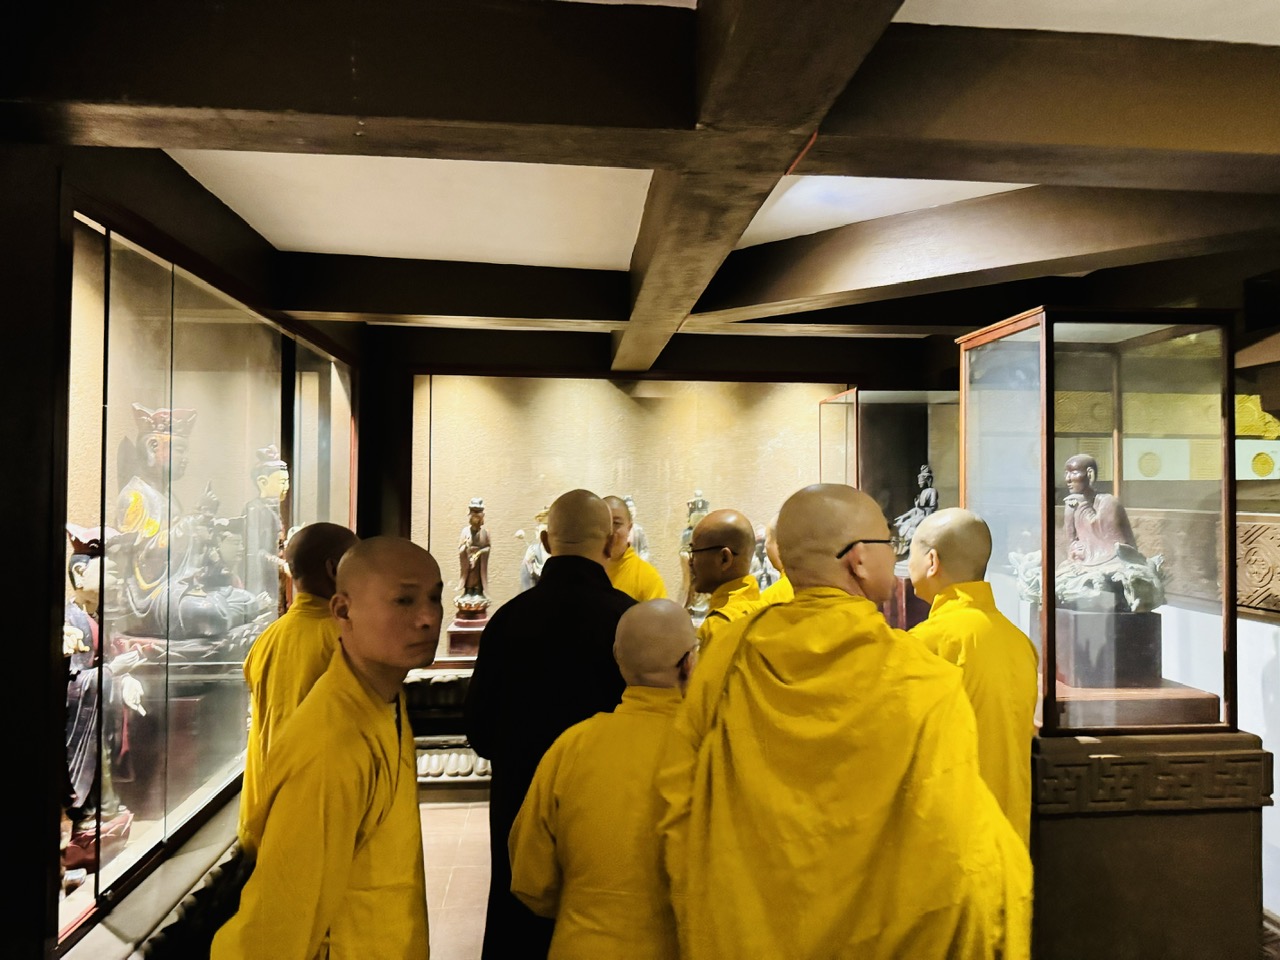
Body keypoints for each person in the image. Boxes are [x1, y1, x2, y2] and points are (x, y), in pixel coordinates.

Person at [656, 483, 1031, 960]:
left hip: (746, 931)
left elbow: (679, 799)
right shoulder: (920, 677)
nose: (896, 557)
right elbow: (960, 850)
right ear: (858, 560)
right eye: (888, 544)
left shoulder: (728, 655)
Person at [212, 536, 443, 960]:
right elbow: (275, 928)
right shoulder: (331, 746)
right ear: (342, 610)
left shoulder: (382, 698)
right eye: (404, 600)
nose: (428, 617)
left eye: (434, 597)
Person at [464, 489, 636, 960]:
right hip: (607, 804)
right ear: (611, 542)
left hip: (519, 799)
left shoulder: (507, 620)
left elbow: (478, 730)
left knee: (519, 920)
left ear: (544, 541)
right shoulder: (627, 620)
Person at [509, 599, 696, 960]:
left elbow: (531, 878)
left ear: (617, 659)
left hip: (581, 946)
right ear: (689, 663)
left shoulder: (572, 746)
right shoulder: (709, 750)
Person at [907, 508, 1039, 845]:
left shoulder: (926, 643)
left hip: (950, 841)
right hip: (1010, 838)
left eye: (910, 552)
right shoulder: (1019, 643)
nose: (907, 564)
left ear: (932, 561)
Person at [236, 521, 360, 852]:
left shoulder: (267, 639)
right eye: (357, 563)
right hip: (322, 814)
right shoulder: (346, 638)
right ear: (334, 570)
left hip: (267, 809)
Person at [687, 508, 764, 652]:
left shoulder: (719, 626)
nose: (690, 562)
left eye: (694, 552)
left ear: (724, 559)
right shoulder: (767, 610)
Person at [604, 494, 667, 602]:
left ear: (629, 528)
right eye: (604, 522)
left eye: (616, 523)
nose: (610, 530)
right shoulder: (584, 572)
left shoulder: (648, 577)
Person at [892, 463, 939, 555]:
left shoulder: (931, 491)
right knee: (901, 524)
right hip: (918, 515)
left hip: (925, 516)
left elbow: (932, 507)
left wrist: (920, 508)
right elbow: (915, 510)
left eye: (921, 481)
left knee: (909, 526)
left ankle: (910, 550)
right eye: (918, 481)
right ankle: (903, 549)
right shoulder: (922, 493)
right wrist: (904, 516)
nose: (919, 483)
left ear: (927, 480)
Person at [759, 512, 794, 604]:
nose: (764, 550)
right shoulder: (827, 586)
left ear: (779, 544)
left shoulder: (768, 600)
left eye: (767, 539)